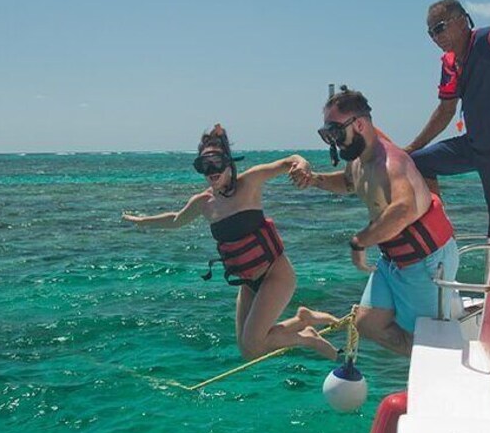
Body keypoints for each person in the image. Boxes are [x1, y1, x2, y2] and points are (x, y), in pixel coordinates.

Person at [123, 124, 340, 362]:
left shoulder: (249, 182)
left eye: (215, 162)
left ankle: (307, 337)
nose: (211, 170)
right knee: (248, 351)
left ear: (228, 163)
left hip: (275, 275)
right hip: (248, 283)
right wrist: (142, 221)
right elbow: (175, 219)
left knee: (255, 344)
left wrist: (303, 164)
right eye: (204, 165)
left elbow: (290, 161)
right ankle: (303, 320)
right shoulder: (203, 202)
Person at [290, 87, 459, 357]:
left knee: (430, 343)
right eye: (327, 134)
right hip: (393, 260)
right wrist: (315, 180)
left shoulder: (391, 163)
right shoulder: (358, 160)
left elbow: (403, 209)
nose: (334, 141)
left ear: (358, 124)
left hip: (425, 262)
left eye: (335, 132)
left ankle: (435, 364)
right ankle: (418, 353)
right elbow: (349, 183)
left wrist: (360, 242)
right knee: (368, 323)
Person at [404, 0, 490, 240]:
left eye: (440, 28)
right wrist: (412, 148)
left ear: (462, 21)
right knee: (418, 162)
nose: (436, 37)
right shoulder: (450, 64)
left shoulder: (484, 41)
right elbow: (445, 111)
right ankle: (443, 234)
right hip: (474, 145)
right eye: (431, 33)